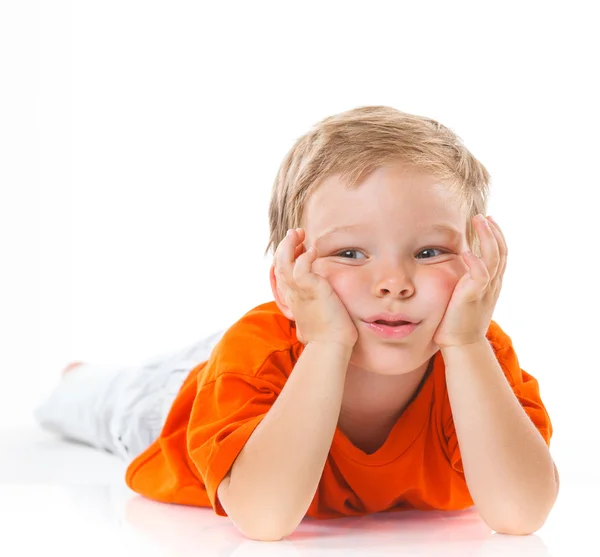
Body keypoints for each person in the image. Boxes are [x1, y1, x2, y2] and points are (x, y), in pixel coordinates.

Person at [34, 105, 559, 541]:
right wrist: (327, 340)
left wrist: (466, 344)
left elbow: (521, 514)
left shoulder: (477, 353)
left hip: (282, 347)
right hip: (178, 403)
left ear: (480, 262)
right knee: (113, 399)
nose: (394, 283)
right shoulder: (257, 353)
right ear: (288, 281)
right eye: (351, 252)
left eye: (428, 250)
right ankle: (77, 376)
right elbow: (264, 518)